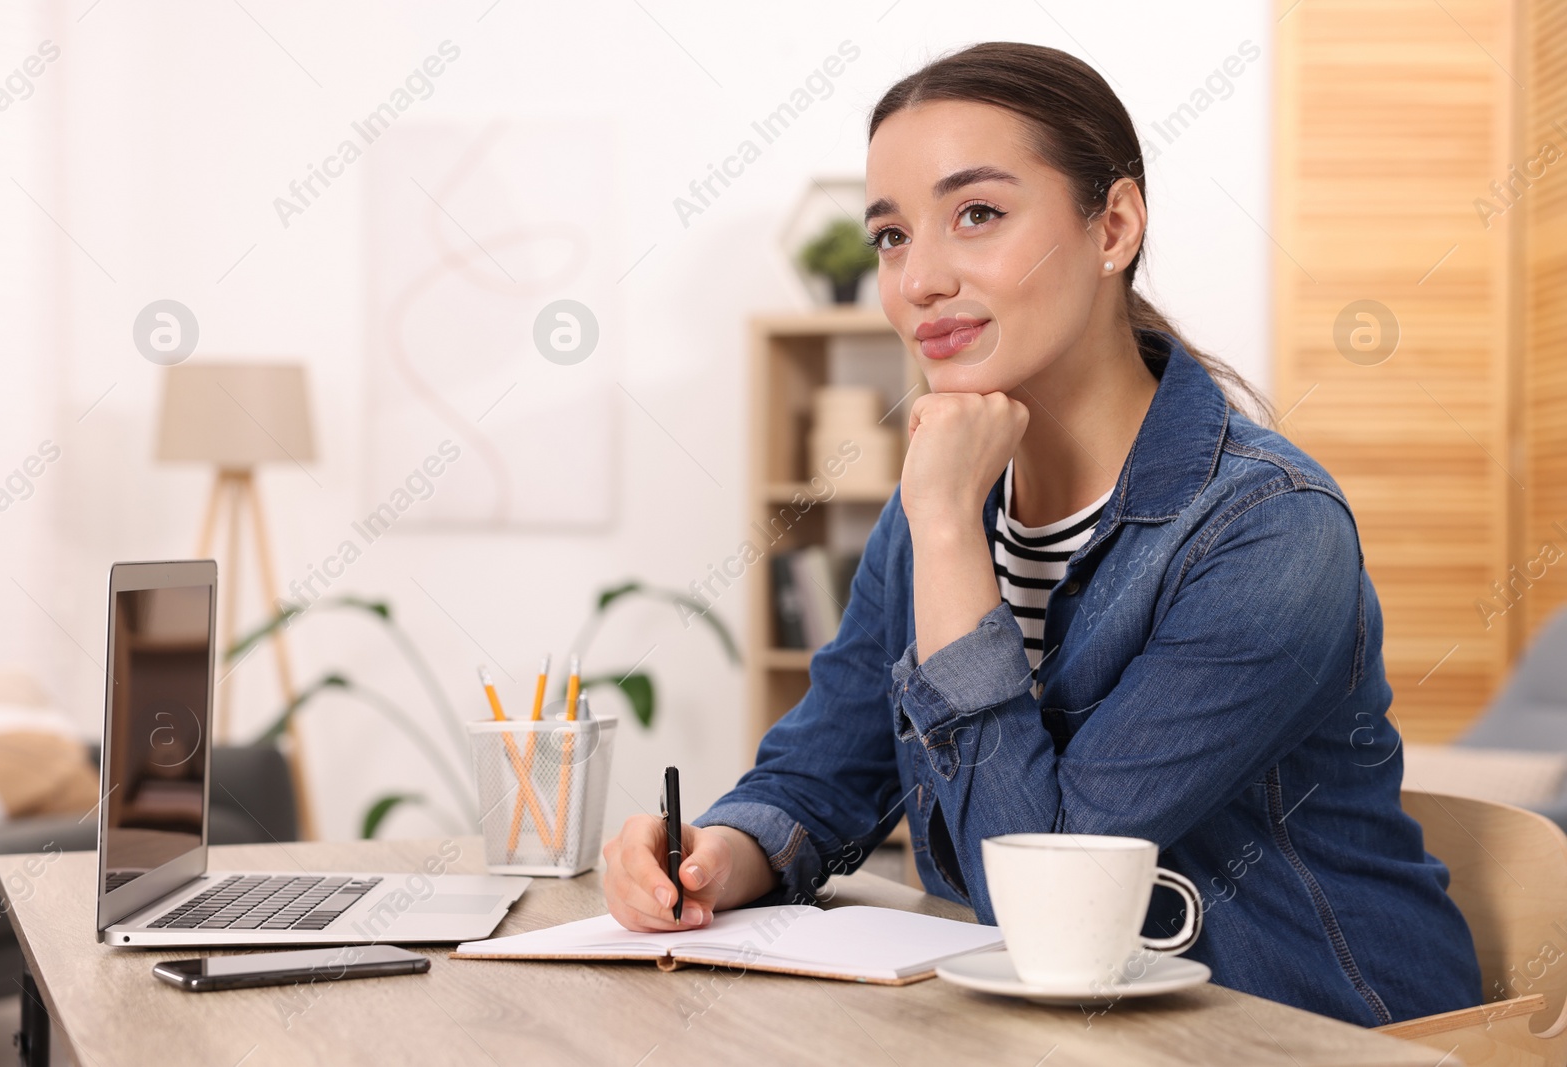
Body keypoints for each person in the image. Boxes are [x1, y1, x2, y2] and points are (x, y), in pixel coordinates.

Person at [602, 41, 1481, 1026]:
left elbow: (1043, 897)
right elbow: (826, 762)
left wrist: (943, 531)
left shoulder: (1267, 530)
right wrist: (726, 851)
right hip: (1061, 1025)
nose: (919, 277)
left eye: (976, 214)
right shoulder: (946, 501)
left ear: (1112, 225)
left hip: (1312, 1030)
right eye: (890, 234)